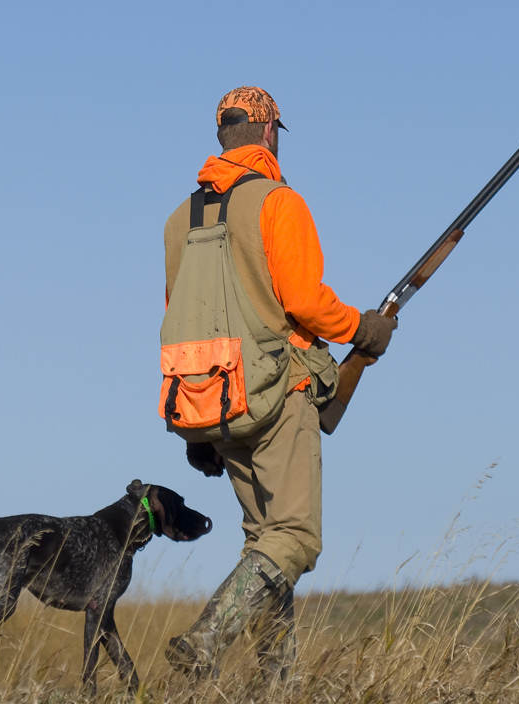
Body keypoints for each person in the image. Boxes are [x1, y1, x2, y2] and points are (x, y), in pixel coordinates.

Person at [159, 86, 396, 678]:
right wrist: (362, 331)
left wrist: (199, 434)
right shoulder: (278, 202)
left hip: (212, 405)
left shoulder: (178, 220)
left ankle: (276, 682)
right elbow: (307, 304)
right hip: (278, 395)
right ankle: (208, 639)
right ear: (268, 134)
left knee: (265, 540)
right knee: (294, 537)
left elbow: (178, 317)